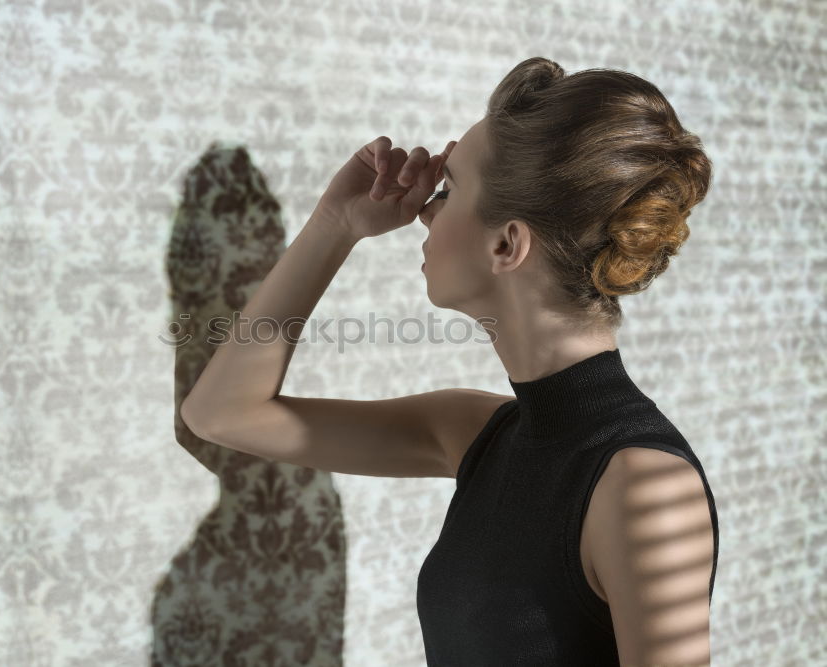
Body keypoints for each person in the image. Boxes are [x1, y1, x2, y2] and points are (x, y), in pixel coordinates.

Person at [180, 57, 718, 666]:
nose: (425, 211)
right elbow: (221, 414)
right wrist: (335, 224)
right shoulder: (474, 435)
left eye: (449, 189)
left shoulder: (643, 485)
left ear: (506, 244)